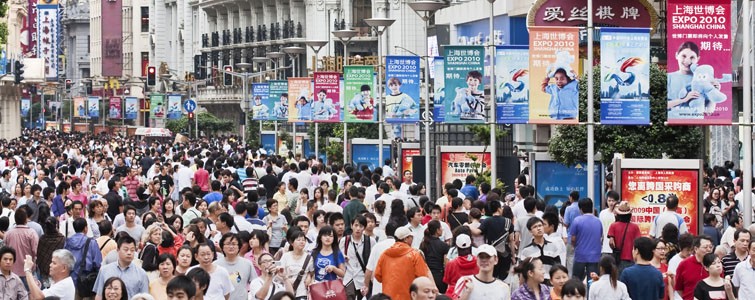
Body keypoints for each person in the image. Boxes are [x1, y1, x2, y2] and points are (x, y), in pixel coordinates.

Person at [374, 226, 432, 300]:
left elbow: (378, 276)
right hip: (409, 296)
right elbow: (423, 277)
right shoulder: (415, 255)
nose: (412, 239)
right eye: (411, 237)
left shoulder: (385, 254)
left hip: (388, 296)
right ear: (406, 239)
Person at [339, 215, 375, 299]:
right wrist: (343, 257)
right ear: (351, 226)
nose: (358, 228)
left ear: (364, 228)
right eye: (356, 225)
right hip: (348, 277)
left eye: (361, 226)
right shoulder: (345, 240)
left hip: (363, 278)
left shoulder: (370, 241)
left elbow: (373, 261)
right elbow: (339, 256)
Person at [519, 217, 561, 283]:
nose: (538, 228)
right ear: (530, 231)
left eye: (540, 225)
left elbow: (558, 267)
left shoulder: (553, 247)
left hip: (550, 284)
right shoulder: (526, 251)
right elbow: (522, 272)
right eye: (535, 227)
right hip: (534, 284)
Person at [569, 198, 602, 281]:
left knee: (576, 280)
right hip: (595, 256)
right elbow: (601, 238)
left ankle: (577, 294)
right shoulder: (598, 221)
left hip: (580, 255)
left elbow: (573, 238)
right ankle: (591, 294)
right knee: (592, 280)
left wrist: (574, 246)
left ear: (581, 209)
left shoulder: (577, 221)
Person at [674, 235, 714, 300]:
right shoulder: (684, 264)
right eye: (705, 247)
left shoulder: (715, 264)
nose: (709, 250)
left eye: (710, 247)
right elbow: (679, 288)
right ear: (696, 249)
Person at [607, 201, 641, 274]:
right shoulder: (635, 227)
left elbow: (611, 243)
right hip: (632, 259)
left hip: (618, 259)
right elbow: (638, 243)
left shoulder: (613, 226)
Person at [365, 222, 398, 296]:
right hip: (396, 288)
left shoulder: (377, 246)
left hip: (378, 287)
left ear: (385, 232)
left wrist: (366, 286)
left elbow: (369, 270)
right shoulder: (401, 247)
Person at [420, 220, 449, 292]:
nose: (442, 229)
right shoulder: (444, 245)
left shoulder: (423, 244)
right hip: (439, 276)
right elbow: (446, 265)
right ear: (437, 230)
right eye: (441, 228)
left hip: (426, 276)